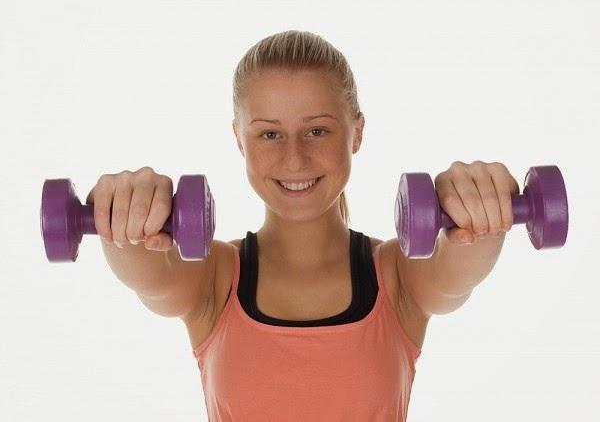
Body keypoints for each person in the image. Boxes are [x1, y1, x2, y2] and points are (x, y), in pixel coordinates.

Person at [88, 30, 519, 421]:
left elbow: (462, 261)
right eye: (269, 134)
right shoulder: (212, 278)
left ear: (356, 133)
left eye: (317, 131)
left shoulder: (399, 275)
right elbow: (147, 271)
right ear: (239, 139)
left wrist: (480, 206)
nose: (294, 159)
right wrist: (123, 212)